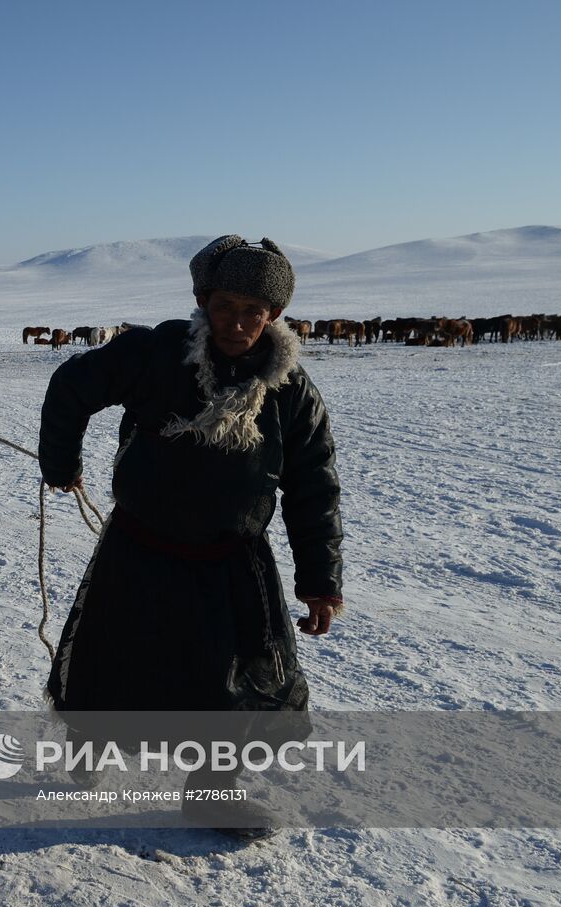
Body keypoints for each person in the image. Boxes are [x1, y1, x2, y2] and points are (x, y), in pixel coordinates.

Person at [38, 235, 343, 835]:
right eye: (225, 305)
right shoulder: (159, 353)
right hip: (141, 544)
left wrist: (320, 580)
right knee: (111, 657)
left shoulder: (291, 389)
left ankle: (211, 791)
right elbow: (71, 386)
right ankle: (90, 743)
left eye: (252, 310)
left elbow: (314, 487)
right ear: (204, 301)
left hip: (234, 557)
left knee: (235, 687)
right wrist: (60, 463)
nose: (237, 322)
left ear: (274, 315)